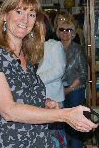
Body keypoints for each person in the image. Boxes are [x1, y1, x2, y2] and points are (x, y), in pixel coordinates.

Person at [0, 0, 97, 147]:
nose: (24, 19)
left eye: (31, 14)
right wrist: (64, 115)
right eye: (19, 11)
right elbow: (8, 110)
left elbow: (22, 95)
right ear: (5, 15)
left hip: (39, 141)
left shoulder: (27, 57)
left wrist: (44, 102)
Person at [36, 14, 67, 148]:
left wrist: (35, 80)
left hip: (53, 97)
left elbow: (59, 70)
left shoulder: (55, 45)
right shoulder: (28, 46)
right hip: (37, 98)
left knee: (55, 137)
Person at [57, 20, 88, 148]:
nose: (65, 32)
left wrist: (69, 90)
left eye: (68, 30)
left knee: (75, 125)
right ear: (57, 32)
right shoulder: (54, 48)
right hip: (58, 91)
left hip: (75, 91)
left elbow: (83, 74)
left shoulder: (78, 49)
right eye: (62, 29)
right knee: (61, 125)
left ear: (73, 33)